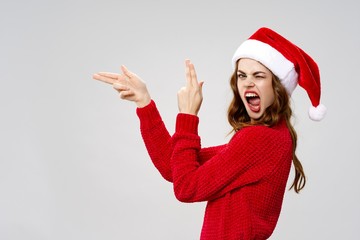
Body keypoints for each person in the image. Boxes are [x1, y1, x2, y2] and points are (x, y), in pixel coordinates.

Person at [93, 27, 326, 240]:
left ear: (278, 86)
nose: (247, 84)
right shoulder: (267, 136)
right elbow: (172, 167)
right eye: (242, 75)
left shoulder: (260, 139)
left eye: (259, 76)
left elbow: (186, 188)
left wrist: (188, 116)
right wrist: (144, 103)